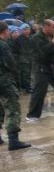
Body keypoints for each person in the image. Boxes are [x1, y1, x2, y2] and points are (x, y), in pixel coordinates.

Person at [0, 21, 31, 150]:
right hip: (4, 80)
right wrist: (17, 81)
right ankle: (13, 140)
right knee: (13, 108)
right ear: (5, 31)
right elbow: (11, 64)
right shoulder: (3, 45)